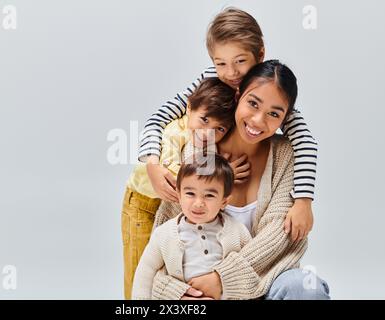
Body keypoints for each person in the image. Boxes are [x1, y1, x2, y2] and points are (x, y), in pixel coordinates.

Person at [151, 60, 330, 300]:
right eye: (253, 103)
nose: (258, 120)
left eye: (274, 114)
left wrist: (222, 278)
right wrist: (177, 293)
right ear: (238, 96)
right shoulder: (198, 150)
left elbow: (280, 236)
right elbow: (166, 233)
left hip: (263, 281)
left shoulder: (287, 155)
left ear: (285, 119)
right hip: (199, 287)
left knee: (305, 288)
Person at [140, 7, 316, 244]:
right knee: (141, 273)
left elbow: (305, 142)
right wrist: (151, 163)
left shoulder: (273, 91)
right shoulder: (211, 80)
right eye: (220, 63)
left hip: (196, 199)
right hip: (147, 193)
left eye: (240, 61)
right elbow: (158, 118)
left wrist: (303, 200)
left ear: (260, 54)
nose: (231, 73)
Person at [121, 78, 237, 299]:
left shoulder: (207, 141)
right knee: (140, 267)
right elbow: (176, 172)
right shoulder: (174, 132)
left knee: (164, 265)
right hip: (142, 204)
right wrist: (221, 172)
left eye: (218, 128)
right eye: (203, 120)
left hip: (172, 206)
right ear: (189, 108)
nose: (206, 132)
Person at [132, 154, 252, 300]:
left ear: (224, 201)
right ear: (179, 194)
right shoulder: (164, 234)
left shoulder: (237, 230)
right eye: (190, 193)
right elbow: (146, 271)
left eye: (209, 195)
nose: (198, 203)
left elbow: (249, 269)